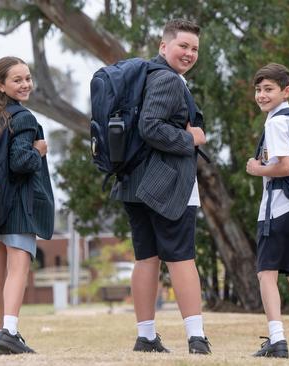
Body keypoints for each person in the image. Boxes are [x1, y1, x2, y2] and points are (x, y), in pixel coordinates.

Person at [110, 19, 211, 355]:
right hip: (166, 183)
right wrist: (190, 138)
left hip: (135, 182)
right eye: (183, 46)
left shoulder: (145, 77)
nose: (189, 53)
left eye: (195, 48)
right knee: (182, 257)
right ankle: (196, 338)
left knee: (147, 258)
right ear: (163, 45)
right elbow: (150, 126)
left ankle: (146, 336)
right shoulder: (168, 79)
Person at [0, 56, 55, 355]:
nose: (26, 84)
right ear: (0, 84)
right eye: (17, 80)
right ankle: (10, 332)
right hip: (17, 205)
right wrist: (38, 151)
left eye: (28, 78)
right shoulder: (24, 117)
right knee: (18, 270)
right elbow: (20, 162)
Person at [245, 63, 289, 360]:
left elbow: (285, 166)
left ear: (285, 91)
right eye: (259, 90)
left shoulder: (275, 123)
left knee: (266, 275)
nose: (262, 95)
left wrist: (256, 168)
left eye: (269, 89)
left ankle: (277, 340)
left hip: (277, 209)